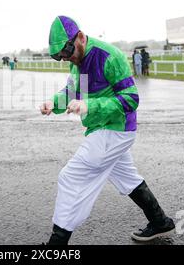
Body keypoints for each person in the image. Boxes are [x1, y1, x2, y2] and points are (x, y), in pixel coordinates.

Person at [40, 16, 175, 245]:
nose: (65, 59)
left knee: (71, 177)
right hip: (101, 129)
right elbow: (72, 92)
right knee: (128, 178)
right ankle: (160, 222)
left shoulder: (109, 56)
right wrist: (54, 103)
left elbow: (131, 99)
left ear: (80, 38)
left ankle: (56, 246)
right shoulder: (76, 62)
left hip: (116, 129)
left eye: (67, 51)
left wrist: (89, 105)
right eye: (59, 56)